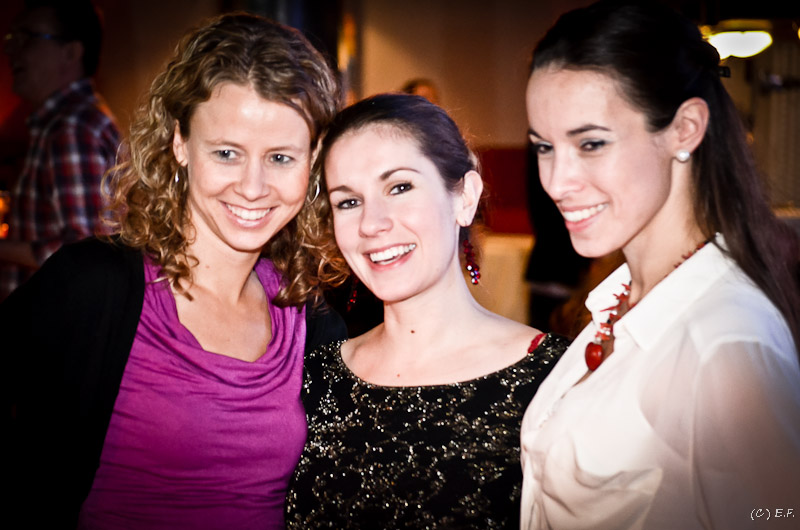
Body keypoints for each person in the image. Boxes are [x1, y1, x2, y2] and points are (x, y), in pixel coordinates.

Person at [2, 12, 345, 529]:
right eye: (226, 153)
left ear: (313, 158)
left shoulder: (310, 316)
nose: (253, 187)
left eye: (280, 158)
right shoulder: (95, 284)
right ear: (179, 143)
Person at [519, 1, 800, 529]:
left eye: (591, 143)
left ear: (685, 129)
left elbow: (780, 514)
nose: (556, 182)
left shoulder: (728, 341)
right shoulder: (619, 299)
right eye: (544, 148)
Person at [285, 93, 568, 529]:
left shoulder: (557, 381)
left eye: (399, 187)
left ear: (465, 197)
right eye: (348, 201)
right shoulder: (309, 378)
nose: (371, 223)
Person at [0, 0, 121, 300]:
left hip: (57, 321)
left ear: (71, 52)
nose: (11, 50)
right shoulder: (67, 123)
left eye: (27, 38)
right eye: (13, 38)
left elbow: (84, 251)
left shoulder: (73, 128)